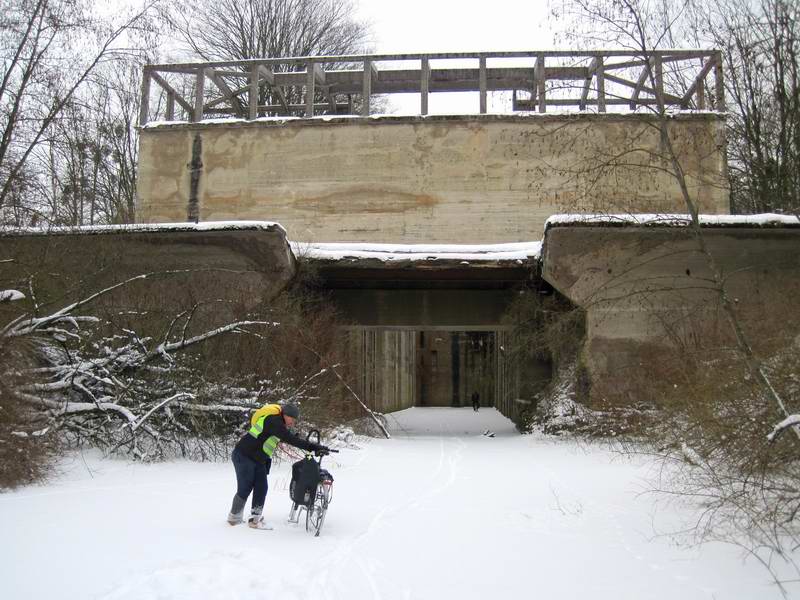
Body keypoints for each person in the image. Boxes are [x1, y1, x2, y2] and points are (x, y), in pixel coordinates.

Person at [227, 402, 329, 529]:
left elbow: (282, 436)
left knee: (261, 486)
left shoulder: (278, 424)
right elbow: (289, 439)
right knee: (245, 487)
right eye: (291, 418)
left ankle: (255, 519)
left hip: (258, 459)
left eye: (294, 420)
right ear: (285, 415)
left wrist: (311, 446)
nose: (292, 422)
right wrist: (313, 447)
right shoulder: (273, 421)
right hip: (243, 455)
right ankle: (234, 518)